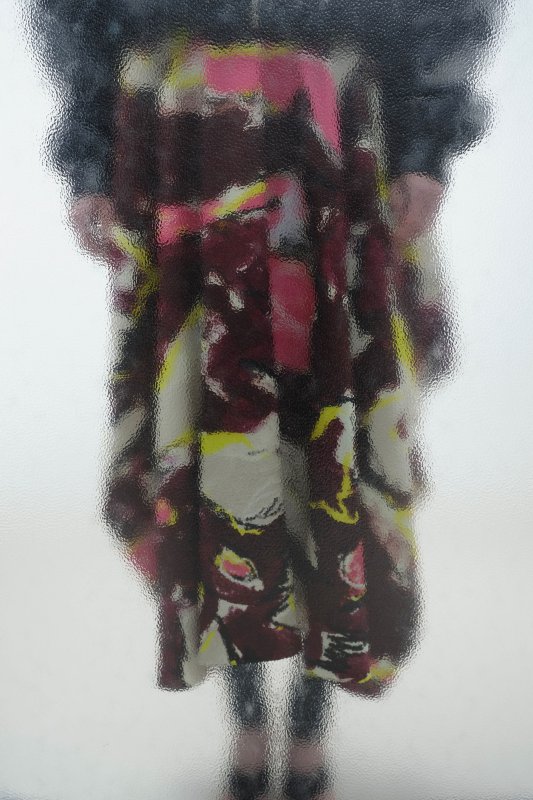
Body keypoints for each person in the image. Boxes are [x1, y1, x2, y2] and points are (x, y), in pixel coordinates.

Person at [28, 1, 500, 798]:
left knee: (334, 424)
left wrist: (423, 144)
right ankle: (246, 717)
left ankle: (310, 720)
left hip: (330, 116)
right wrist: (90, 155)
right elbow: (75, 14)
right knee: (210, 431)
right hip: (182, 126)